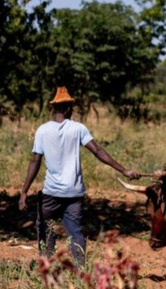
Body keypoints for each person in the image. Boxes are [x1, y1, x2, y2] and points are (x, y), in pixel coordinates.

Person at [19, 87, 140, 267]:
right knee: (75, 233)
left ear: (54, 108)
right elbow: (97, 151)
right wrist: (124, 170)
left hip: (50, 194)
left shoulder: (42, 130)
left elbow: (35, 161)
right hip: (73, 194)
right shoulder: (78, 129)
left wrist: (24, 191)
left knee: (46, 231)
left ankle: (46, 269)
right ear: (68, 108)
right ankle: (80, 273)